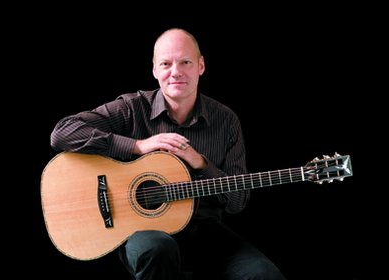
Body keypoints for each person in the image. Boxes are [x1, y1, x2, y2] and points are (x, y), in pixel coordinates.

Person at [50, 28, 286, 280]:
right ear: (154, 70)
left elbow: (237, 202)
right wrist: (137, 146)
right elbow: (63, 133)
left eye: (185, 62)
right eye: (166, 63)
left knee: (263, 274)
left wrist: (201, 163)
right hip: (144, 230)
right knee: (159, 248)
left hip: (205, 232)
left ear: (201, 65)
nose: (176, 72)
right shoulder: (132, 108)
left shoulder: (226, 121)